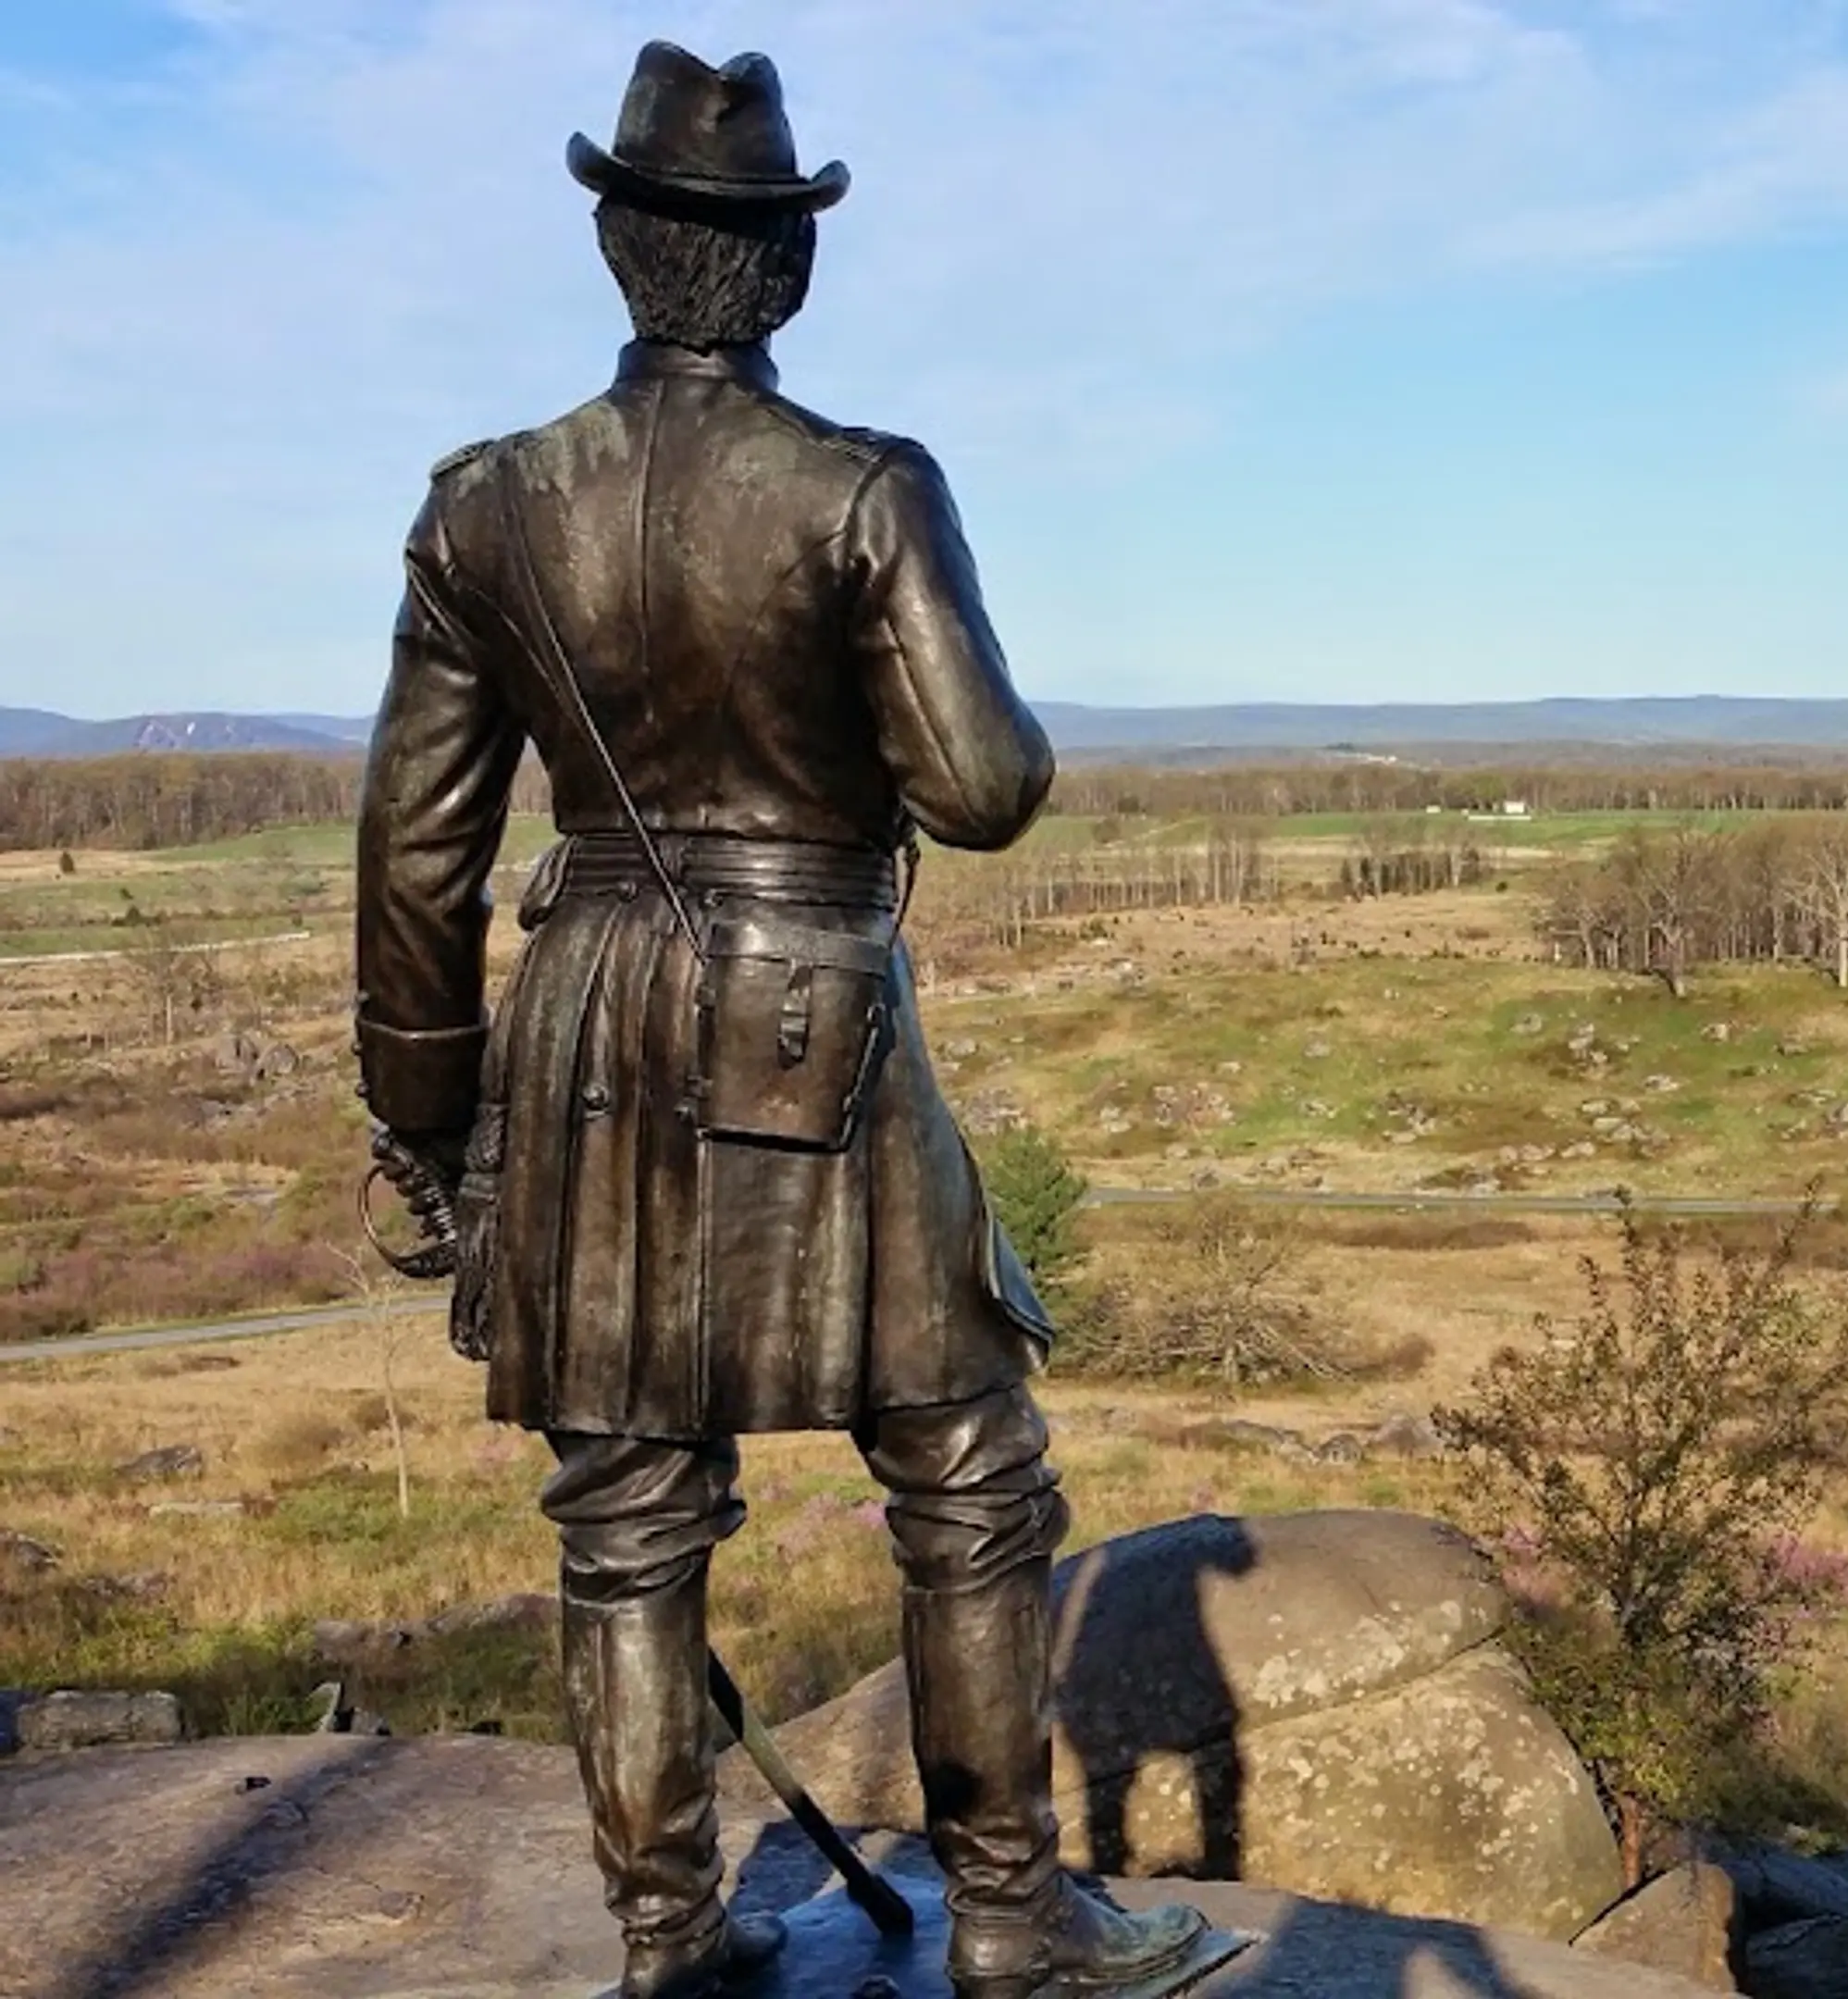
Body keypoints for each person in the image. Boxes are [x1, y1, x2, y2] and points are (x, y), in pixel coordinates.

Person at [352, 42, 1241, 1999]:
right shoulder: (860, 492)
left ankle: (671, 1946)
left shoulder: (485, 510)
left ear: (616, 244)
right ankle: (1010, 1918)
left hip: (585, 1023)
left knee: (627, 1507)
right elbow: (986, 784)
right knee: (966, 1462)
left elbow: (416, 854)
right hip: (814, 1012)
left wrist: (425, 1118)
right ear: (787, 270)